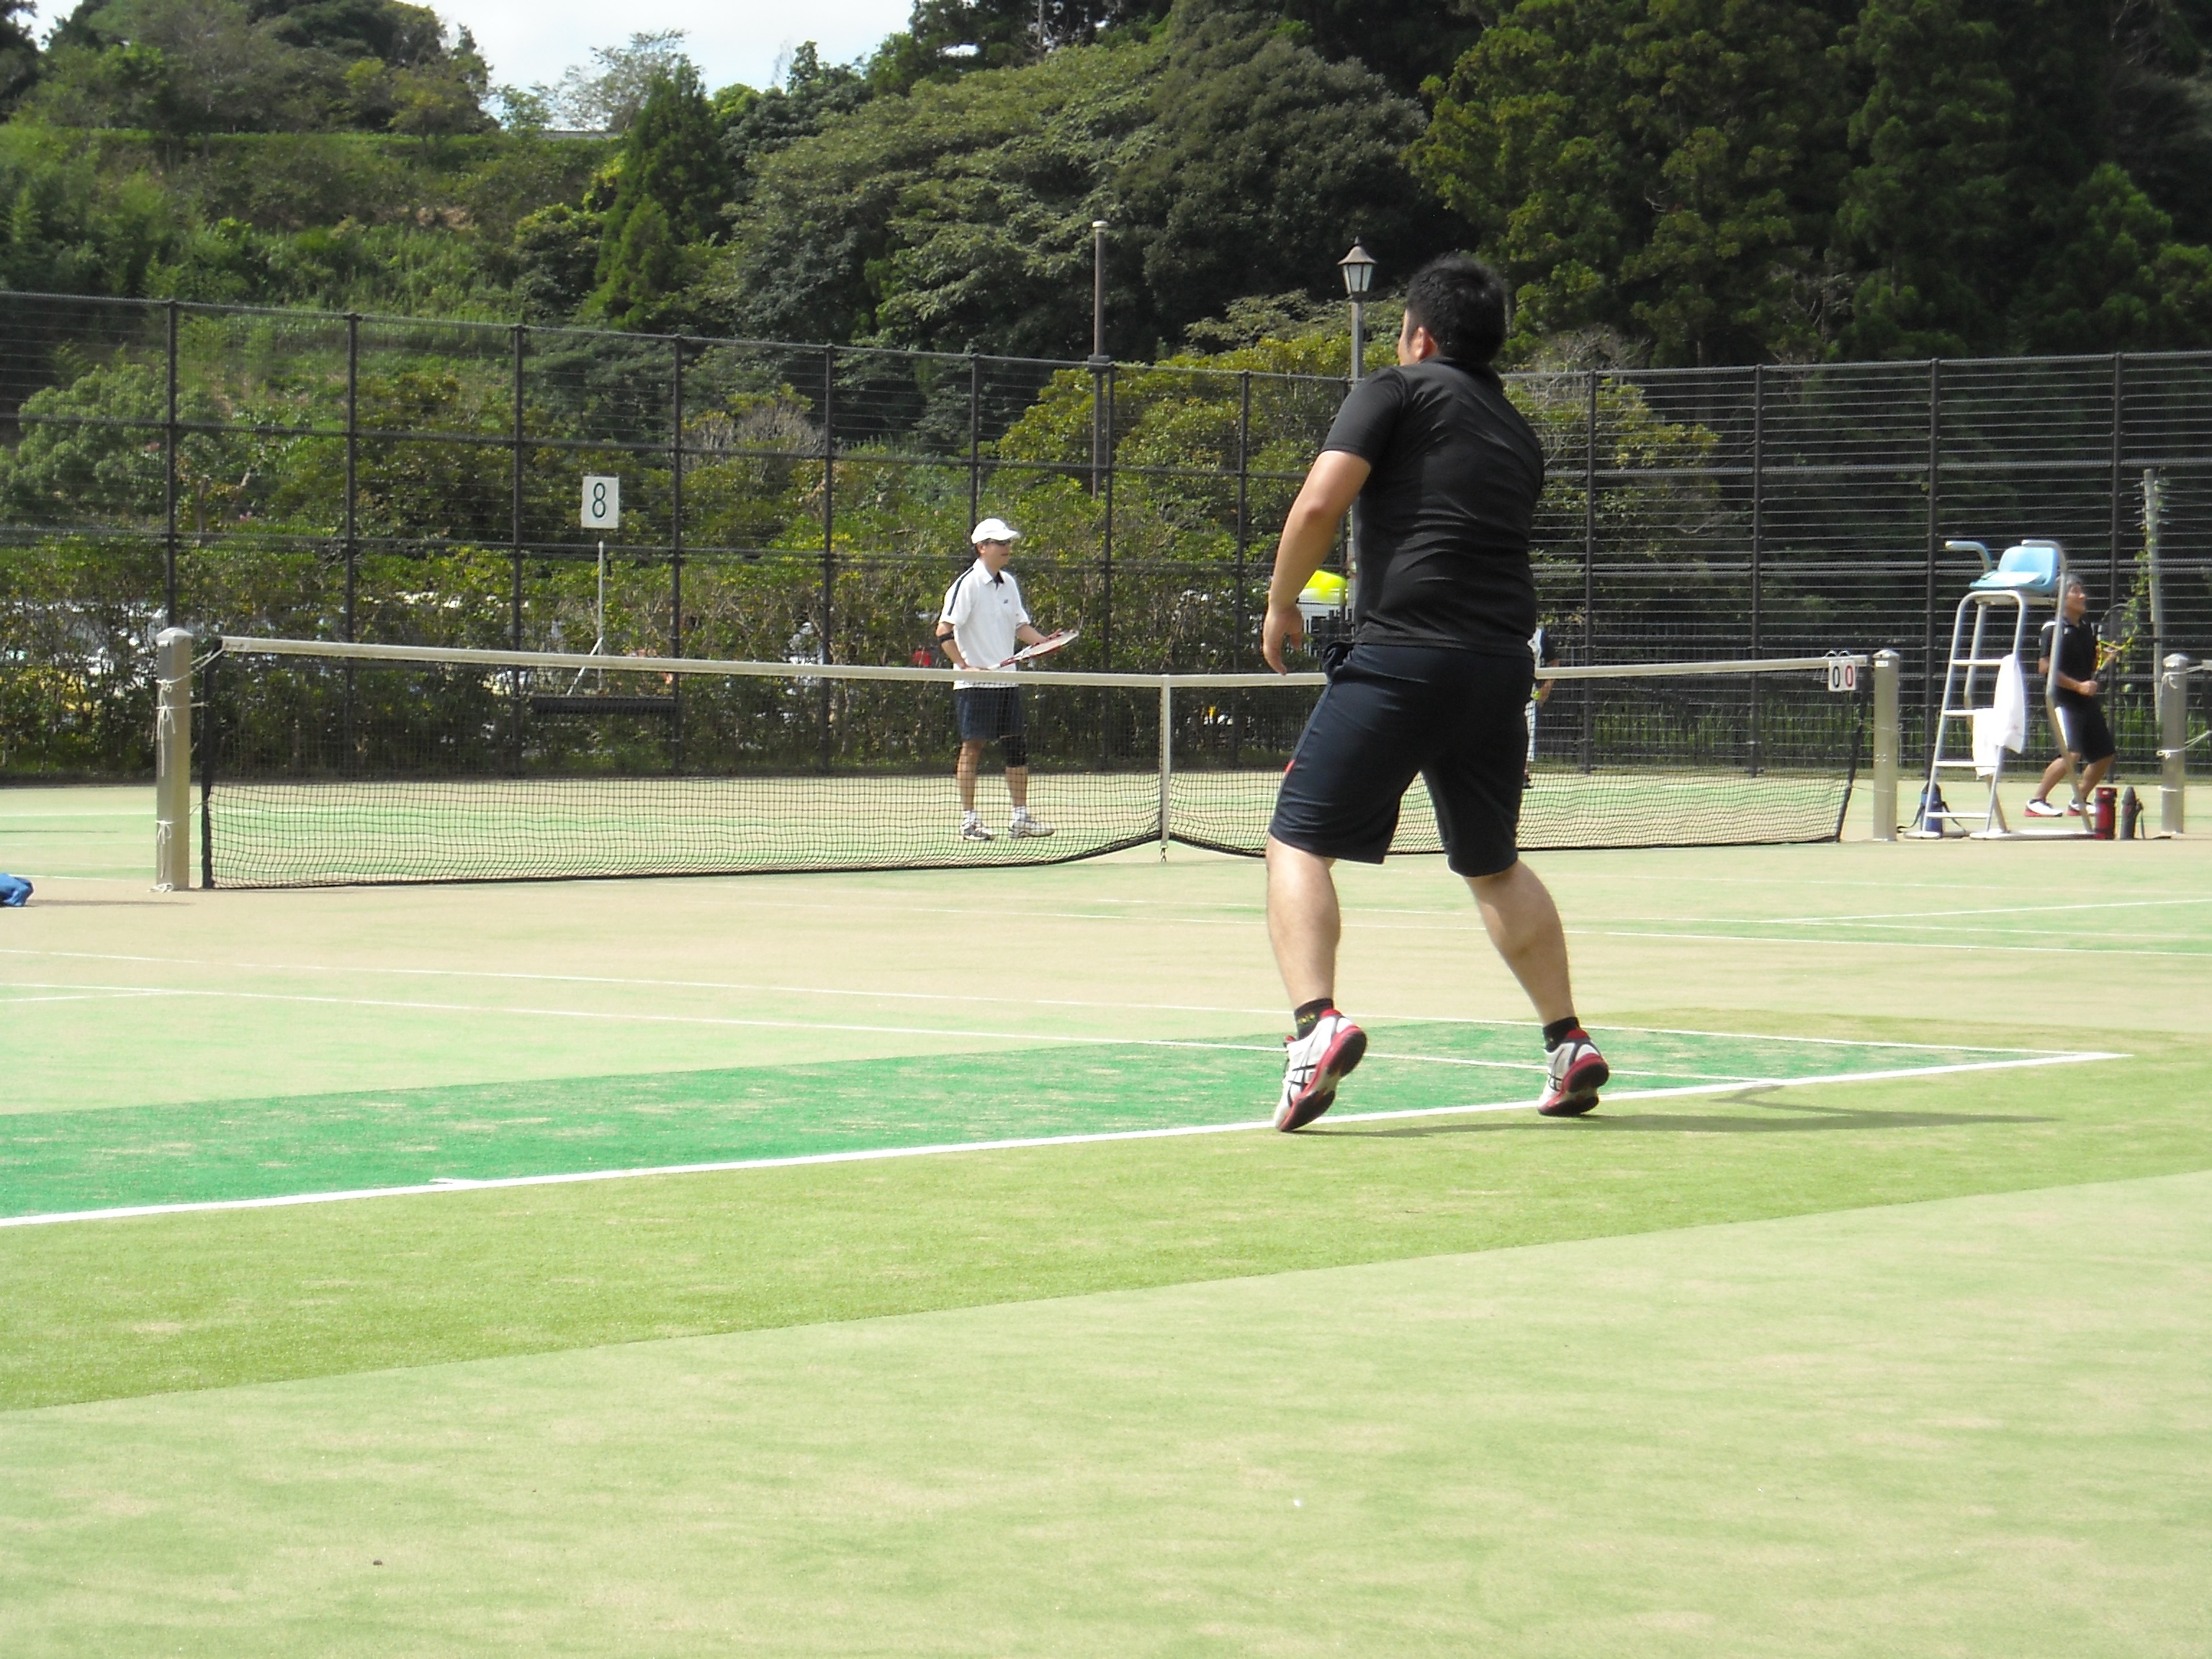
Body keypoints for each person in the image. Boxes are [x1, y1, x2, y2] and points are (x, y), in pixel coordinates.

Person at [1260, 256, 1609, 1130]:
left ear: (1418, 334)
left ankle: (1315, 1030)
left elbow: (1317, 506)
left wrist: (1278, 606)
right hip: (1499, 671)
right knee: (1492, 862)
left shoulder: (1396, 389)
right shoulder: (1517, 433)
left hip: (1405, 659)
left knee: (1296, 840)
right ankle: (1568, 1043)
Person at [937, 517, 1056, 843]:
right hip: (974, 686)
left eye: (1008, 543)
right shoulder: (967, 584)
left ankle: (1020, 819)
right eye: (1000, 543)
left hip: (1006, 682)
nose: (1007, 548)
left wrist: (1044, 641)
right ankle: (969, 822)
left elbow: (1021, 627)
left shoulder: (1010, 584)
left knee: (1016, 747)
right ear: (982, 548)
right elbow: (943, 632)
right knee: (972, 747)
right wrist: (964, 666)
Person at [2024, 574, 2116, 817]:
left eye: (2081, 590)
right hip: (2063, 701)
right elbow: (2045, 668)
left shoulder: (2086, 629)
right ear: (2061, 599)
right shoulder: (2052, 629)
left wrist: (2103, 660)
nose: (2082, 595)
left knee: (2105, 753)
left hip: (2086, 702)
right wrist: (2078, 687)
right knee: (2071, 753)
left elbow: (2088, 666)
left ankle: (2079, 801)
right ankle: (2036, 801)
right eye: (2075, 591)